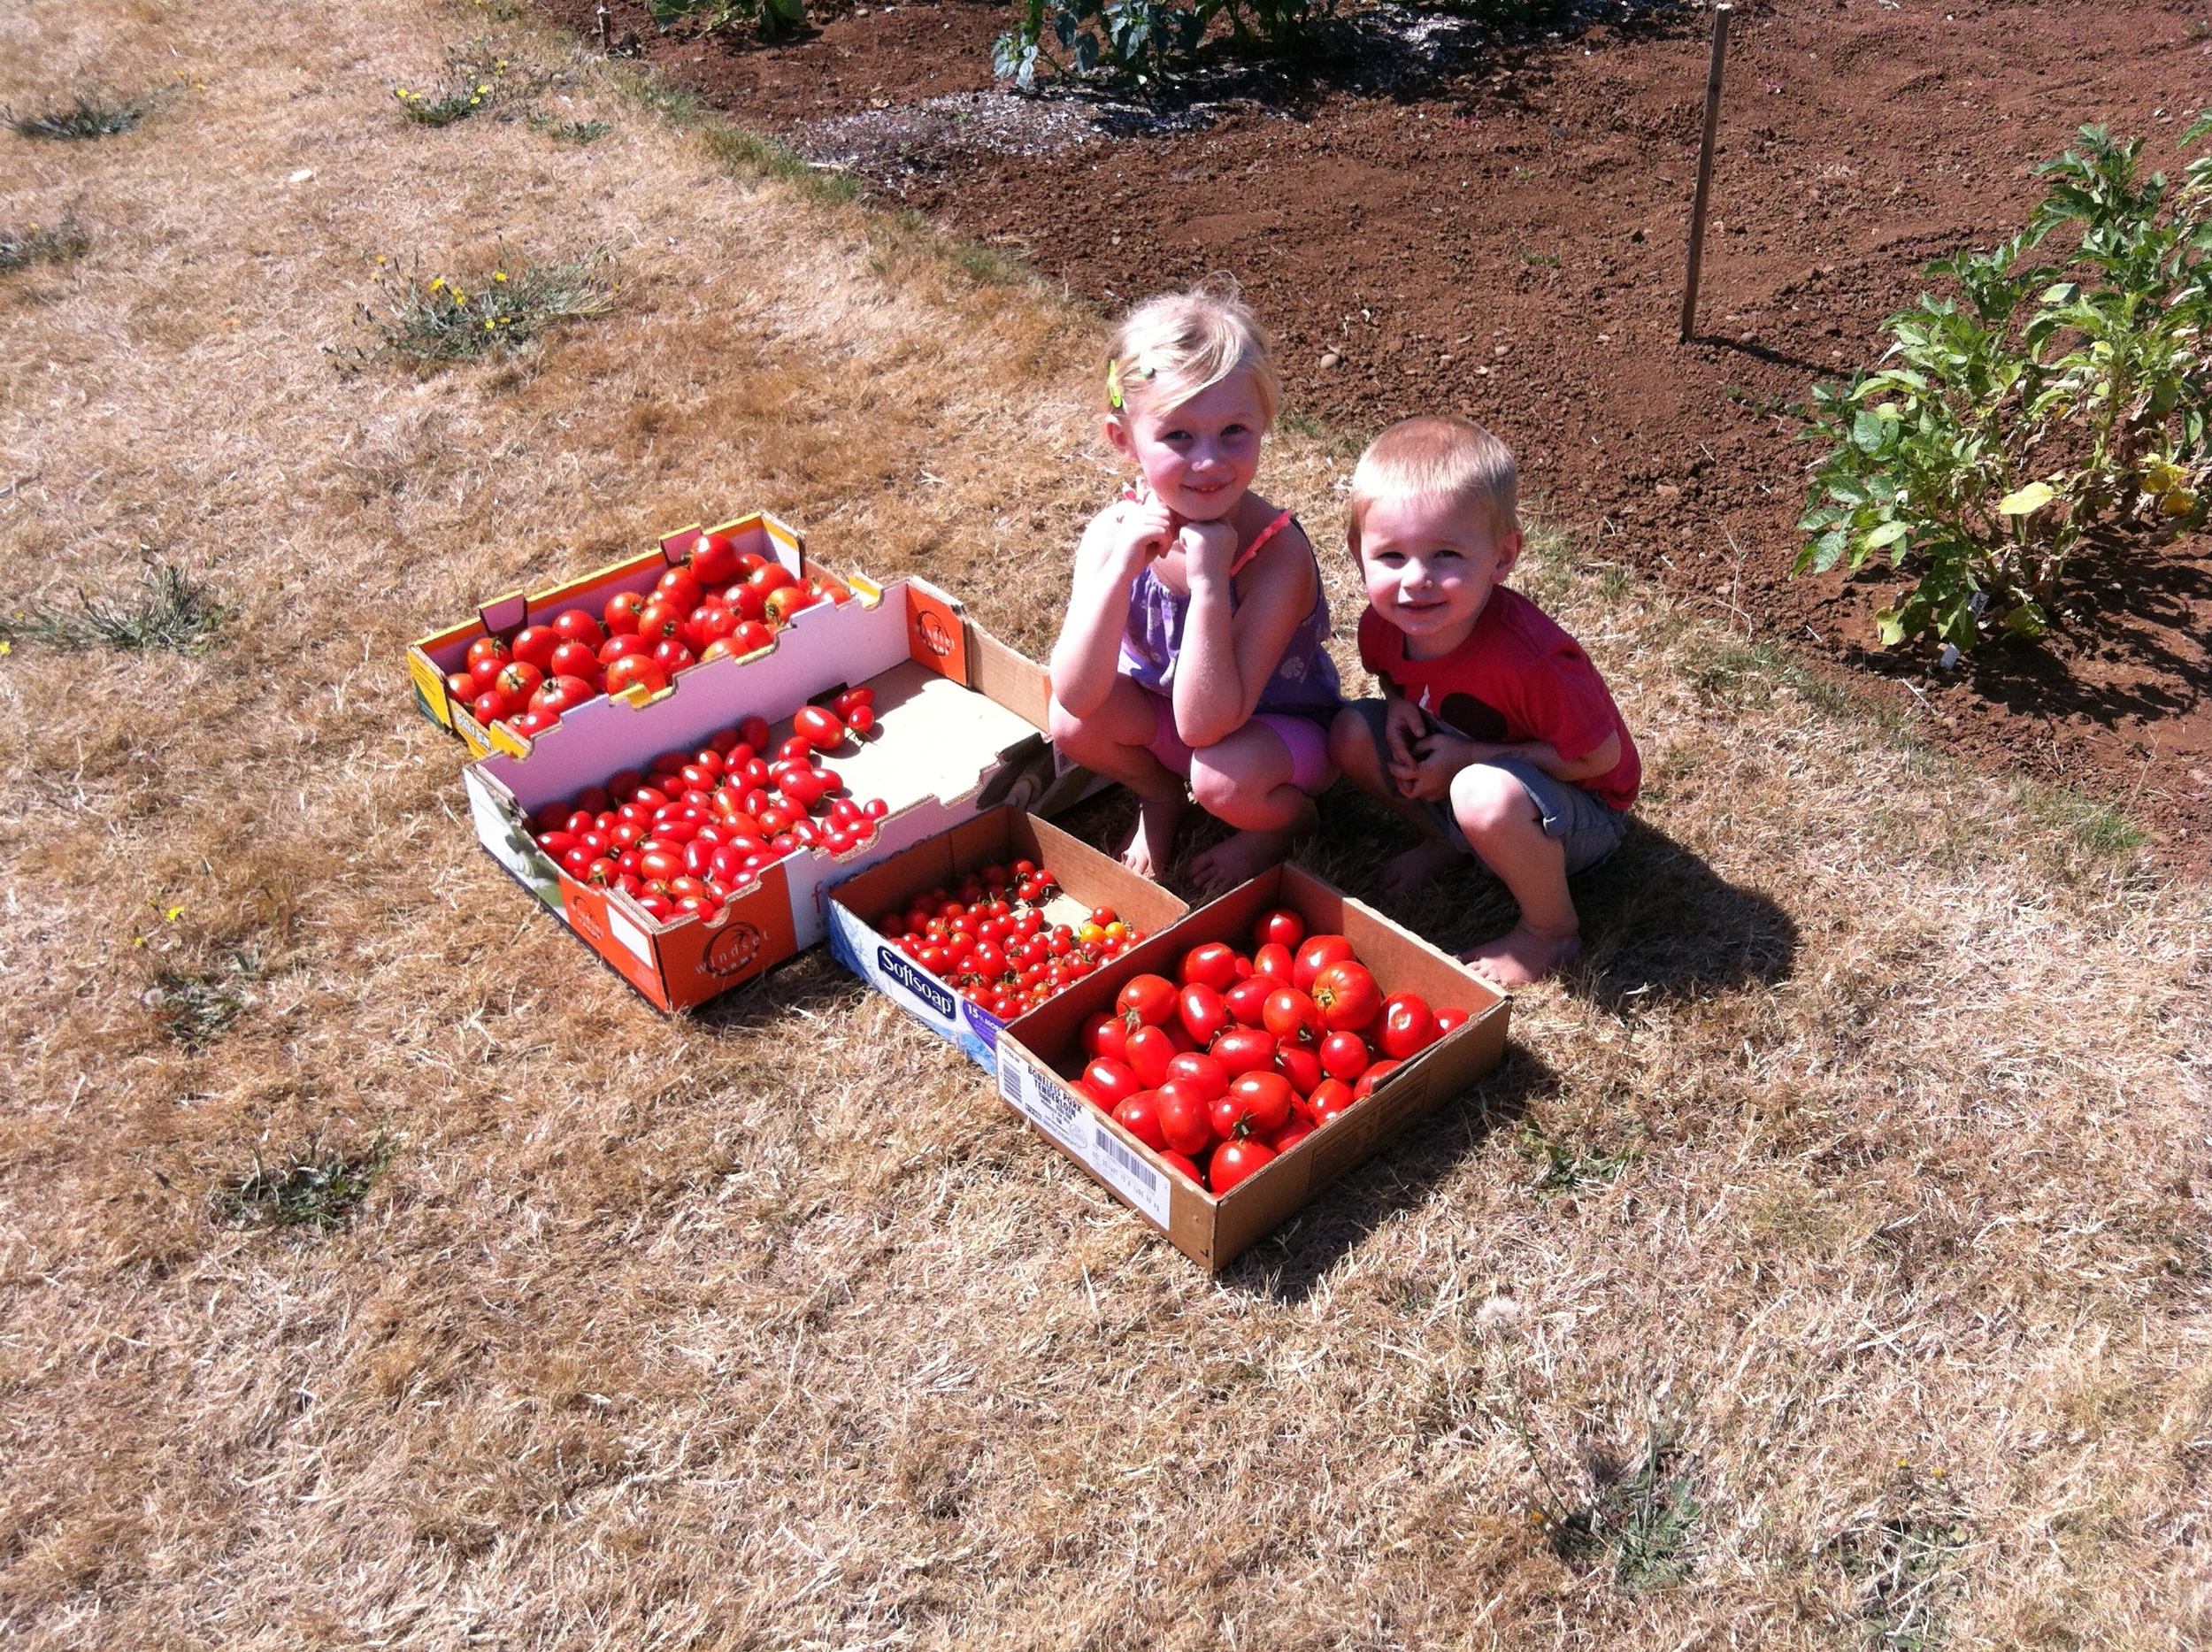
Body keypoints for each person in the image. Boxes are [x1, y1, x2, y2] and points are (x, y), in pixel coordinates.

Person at [1327, 415, 1640, 987]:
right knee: (1350, 730)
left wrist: (1467, 761)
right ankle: (1448, 838)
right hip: (1468, 763)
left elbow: (1600, 760)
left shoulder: (1532, 661)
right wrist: (1397, 703)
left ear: (1501, 556)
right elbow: (1395, 677)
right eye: (1391, 555)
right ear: (1358, 552)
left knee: (1481, 793)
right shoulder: (1382, 624)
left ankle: (1550, 929)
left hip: (1579, 810)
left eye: (1447, 554)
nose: (1415, 580)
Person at [1048, 288, 1340, 887]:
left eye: (1234, 431)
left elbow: (1208, 729)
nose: (1208, 462)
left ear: (1264, 425)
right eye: (1178, 436)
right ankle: (1159, 796)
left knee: (1219, 777)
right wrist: (1120, 571)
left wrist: (1209, 584)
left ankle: (1282, 825)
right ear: (1124, 439)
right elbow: (1076, 695)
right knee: (1070, 722)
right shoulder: (1115, 531)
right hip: (1175, 723)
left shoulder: (1276, 555)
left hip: (1271, 740)